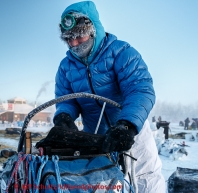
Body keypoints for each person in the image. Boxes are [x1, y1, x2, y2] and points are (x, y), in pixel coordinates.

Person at [52, 1, 166, 192]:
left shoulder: (121, 52)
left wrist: (127, 125)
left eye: (78, 36)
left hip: (131, 132)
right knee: (103, 183)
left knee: (145, 179)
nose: (74, 43)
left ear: (93, 29)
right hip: (96, 137)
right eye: (68, 39)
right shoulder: (66, 67)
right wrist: (64, 116)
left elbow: (140, 89)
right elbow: (67, 100)